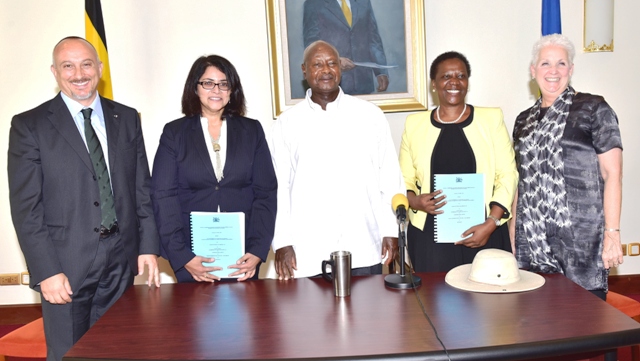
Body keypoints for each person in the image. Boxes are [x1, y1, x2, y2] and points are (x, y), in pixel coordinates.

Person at [8, 36, 160, 361]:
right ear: (55, 72)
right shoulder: (29, 126)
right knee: (69, 354)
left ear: (100, 68)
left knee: (118, 350)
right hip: (65, 265)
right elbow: (26, 209)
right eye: (68, 66)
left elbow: (141, 187)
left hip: (120, 258)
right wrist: (46, 270)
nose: (79, 74)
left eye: (86, 64)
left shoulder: (127, 118)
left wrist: (148, 245)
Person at [270, 40, 404, 279]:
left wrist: (391, 231)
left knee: (370, 305)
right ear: (304, 70)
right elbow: (279, 186)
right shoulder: (287, 123)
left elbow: (390, 177)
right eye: (317, 64)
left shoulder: (370, 115)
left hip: (364, 244)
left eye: (332, 63)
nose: (326, 70)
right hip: (308, 251)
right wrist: (282, 242)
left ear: (340, 68)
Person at [511, 34, 623, 300]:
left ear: (570, 70)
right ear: (533, 70)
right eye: (545, 63)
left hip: (582, 245)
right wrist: (513, 234)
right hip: (533, 245)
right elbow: (520, 182)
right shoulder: (523, 121)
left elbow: (613, 174)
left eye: (561, 63)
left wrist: (612, 234)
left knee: (586, 321)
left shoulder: (594, 108)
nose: (553, 71)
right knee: (537, 322)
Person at [151, 55, 277, 283]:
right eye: (208, 83)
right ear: (195, 88)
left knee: (245, 308)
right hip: (191, 256)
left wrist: (258, 250)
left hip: (243, 256)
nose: (216, 90)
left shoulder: (252, 131)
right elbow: (163, 196)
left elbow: (266, 192)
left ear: (232, 90)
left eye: (224, 84)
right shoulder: (174, 133)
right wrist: (182, 256)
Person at [398, 51, 517, 273]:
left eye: (461, 76)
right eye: (446, 76)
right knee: (435, 294)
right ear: (434, 84)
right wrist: (415, 202)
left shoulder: (491, 119)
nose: (454, 81)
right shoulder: (414, 124)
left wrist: (491, 222)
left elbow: (508, 174)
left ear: (467, 82)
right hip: (430, 238)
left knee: (487, 294)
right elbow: (404, 178)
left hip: (486, 231)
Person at [303, 0, 389, 95]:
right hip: (333, 82)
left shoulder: (364, 2)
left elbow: (374, 41)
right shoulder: (313, 5)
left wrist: (381, 71)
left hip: (363, 81)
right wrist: (335, 60)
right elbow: (311, 46)